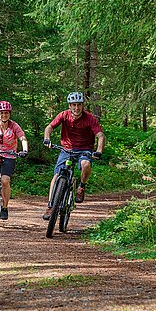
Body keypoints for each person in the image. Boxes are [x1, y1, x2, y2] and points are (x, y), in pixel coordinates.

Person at [42, 92, 105, 220]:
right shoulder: (64, 115)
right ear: (70, 105)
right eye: (74, 105)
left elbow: (100, 135)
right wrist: (47, 139)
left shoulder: (90, 118)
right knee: (56, 175)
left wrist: (98, 151)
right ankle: (50, 206)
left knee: (85, 164)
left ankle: (81, 186)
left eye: (79, 105)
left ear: (82, 105)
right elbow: (49, 127)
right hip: (67, 149)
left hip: (84, 149)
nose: (77, 108)